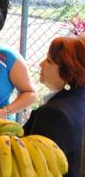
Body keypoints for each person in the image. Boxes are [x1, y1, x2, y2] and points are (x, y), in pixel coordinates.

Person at [23, 36, 85, 177]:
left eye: (49, 61)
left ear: (69, 71)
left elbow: (32, 168)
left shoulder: (55, 114)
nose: (41, 64)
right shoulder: (78, 99)